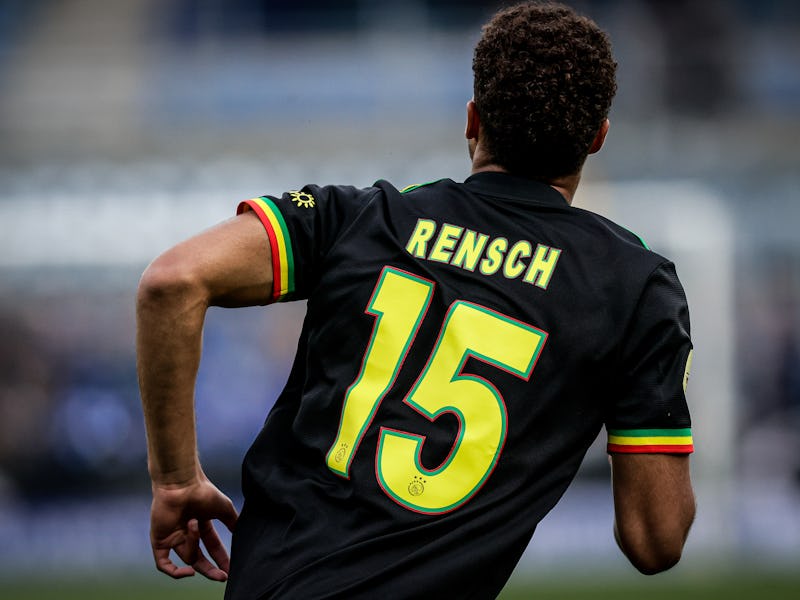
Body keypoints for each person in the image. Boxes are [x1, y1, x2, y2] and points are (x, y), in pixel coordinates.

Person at [136, 2, 696, 598]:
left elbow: (172, 282)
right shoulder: (633, 285)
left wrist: (176, 480)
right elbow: (655, 540)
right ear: (598, 137)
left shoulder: (360, 218)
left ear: (473, 120)